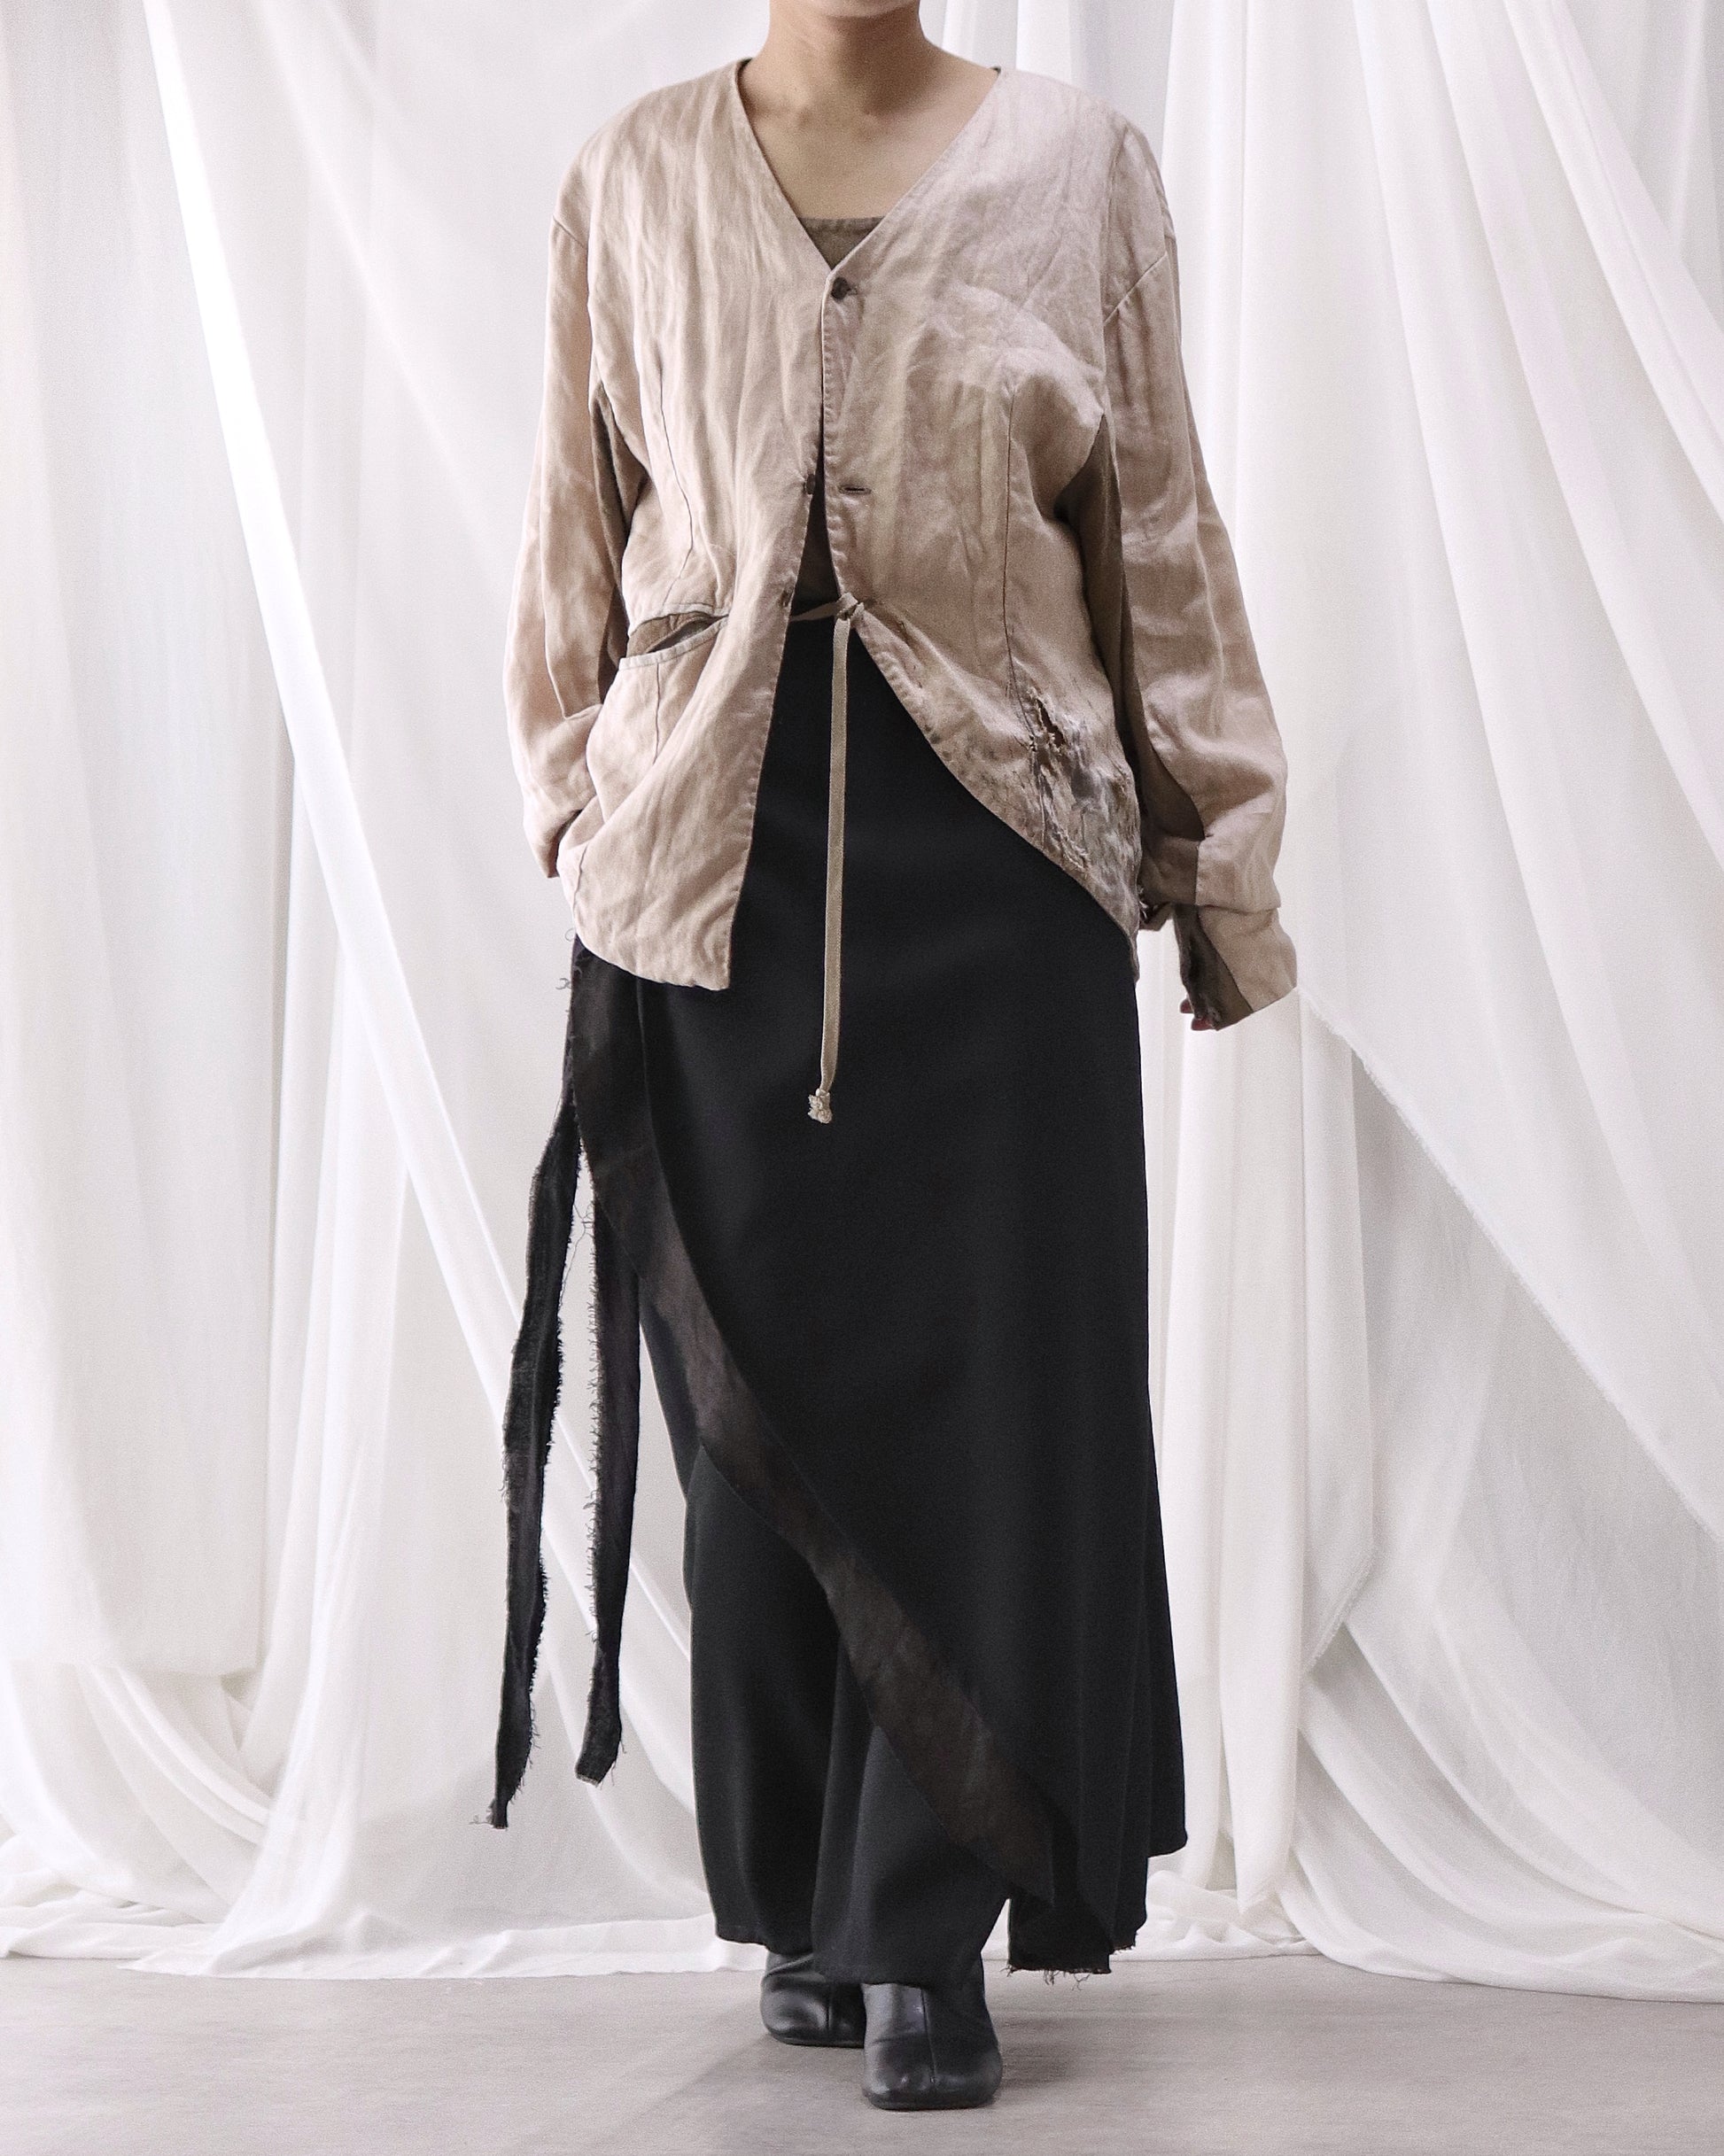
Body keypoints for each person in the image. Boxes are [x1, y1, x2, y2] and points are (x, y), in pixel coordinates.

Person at [491, 0, 1297, 2114]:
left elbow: (1158, 531)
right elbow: (573, 519)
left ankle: (923, 1923)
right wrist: (575, 803)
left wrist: (1213, 865)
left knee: (991, 1404)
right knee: (748, 1399)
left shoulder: (1075, 170)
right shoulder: (632, 175)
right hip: (711, 867)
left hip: (1000, 865)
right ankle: (802, 1893)